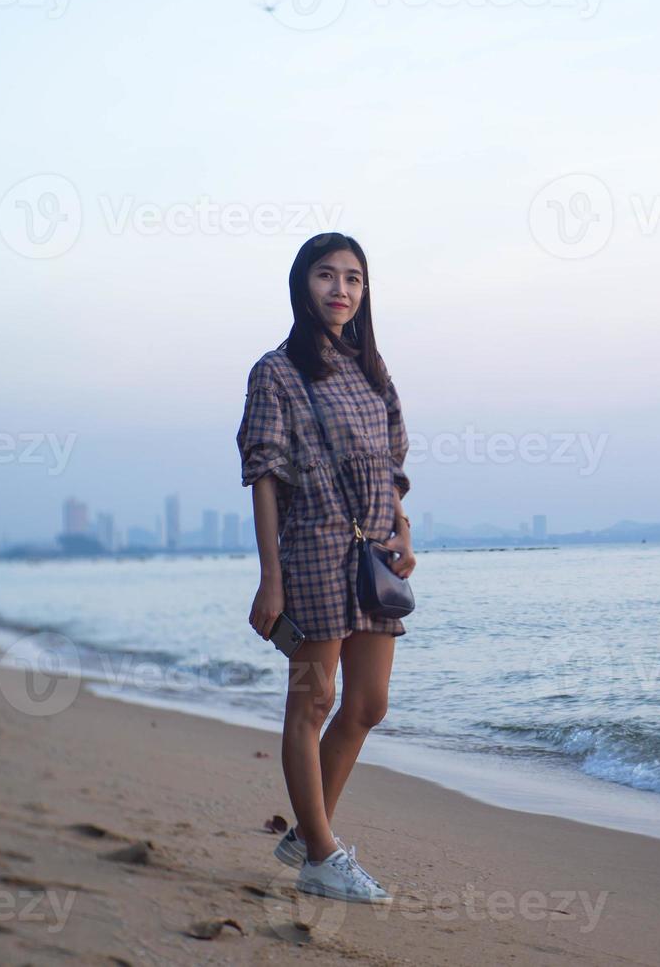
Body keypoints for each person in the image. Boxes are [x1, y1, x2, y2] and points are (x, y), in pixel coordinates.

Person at [236, 232, 416, 903]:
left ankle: (309, 834)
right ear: (301, 285)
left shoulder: (373, 371)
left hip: (372, 557)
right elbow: (264, 475)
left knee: (367, 705)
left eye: (353, 279)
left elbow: (393, 465)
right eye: (325, 275)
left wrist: (402, 531)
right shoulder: (275, 372)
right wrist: (270, 576)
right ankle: (320, 854)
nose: (340, 289)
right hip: (310, 553)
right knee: (312, 700)